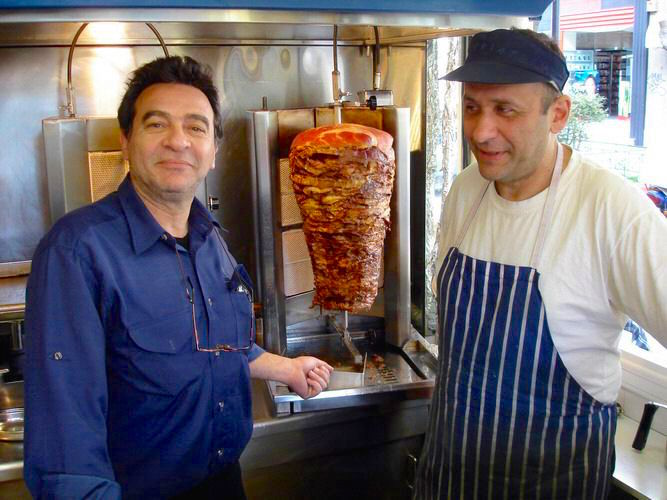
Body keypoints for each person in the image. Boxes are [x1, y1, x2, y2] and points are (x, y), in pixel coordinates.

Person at [24, 56, 333, 499]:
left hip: (224, 485)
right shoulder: (77, 252)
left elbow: (217, 345)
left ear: (213, 152)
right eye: (156, 125)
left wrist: (284, 367)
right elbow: (66, 440)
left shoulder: (209, 240)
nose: (178, 141)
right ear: (126, 140)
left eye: (196, 127)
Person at [415, 28, 667, 499]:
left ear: (559, 114)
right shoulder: (467, 189)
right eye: (472, 106)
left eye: (505, 110)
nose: (481, 131)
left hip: (550, 483)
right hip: (450, 476)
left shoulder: (611, 210)